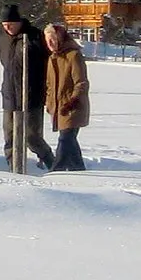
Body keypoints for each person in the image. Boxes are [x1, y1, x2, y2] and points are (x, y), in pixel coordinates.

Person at [0, 4, 53, 172]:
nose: (8, 27)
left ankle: (52, 163)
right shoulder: (3, 39)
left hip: (31, 96)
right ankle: (14, 169)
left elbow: (48, 62)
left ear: (19, 22)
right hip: (10, 96)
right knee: (10, 137)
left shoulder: (34, 37)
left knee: (32, 137)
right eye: (4, 24)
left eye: (11, 24)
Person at [44, 23, 90, 171]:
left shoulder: (73, 55)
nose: (50, 44)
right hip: (58, 108)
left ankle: (56, 170)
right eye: (47, 40)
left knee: (65, 139)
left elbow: (81, 82)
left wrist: (72, 101)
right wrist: (49, 103)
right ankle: (79, 170)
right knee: (70, 142)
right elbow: (50, 85)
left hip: (73, 107)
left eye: (53, 40)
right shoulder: (52, 58)